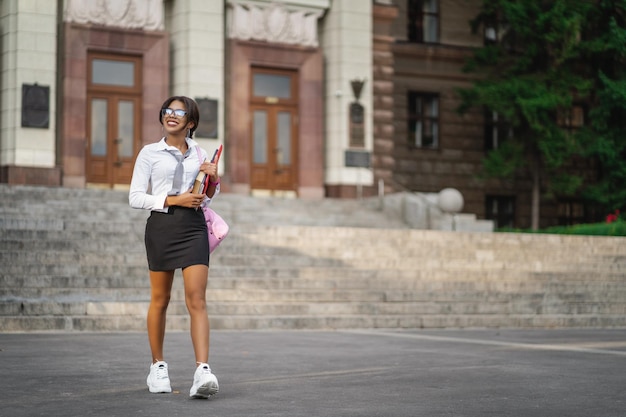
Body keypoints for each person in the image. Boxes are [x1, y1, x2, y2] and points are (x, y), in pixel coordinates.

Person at [129, 95, 220, 399]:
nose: (172, 115)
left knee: (197, 299)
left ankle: (203, 371)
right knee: (160, 299)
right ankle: (157, 367)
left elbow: (204, 198)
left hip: (193, 227)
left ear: (190, 122)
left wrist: (212, 183)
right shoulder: (149, 153)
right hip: (162, 226)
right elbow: (135, 197)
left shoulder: (199, 152)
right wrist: (172, 199)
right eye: (168, 110)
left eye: (179, 112)